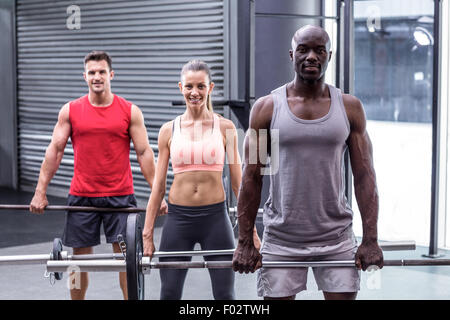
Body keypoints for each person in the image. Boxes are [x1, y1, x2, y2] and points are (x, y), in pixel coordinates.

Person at [232, 25, 384, 300]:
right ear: (292, 55)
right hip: (281, 238)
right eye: (303, 49)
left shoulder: (349, 107)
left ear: (329, 56)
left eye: (319, 50)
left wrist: (370, 239)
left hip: (336, 236)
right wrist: (245, 241)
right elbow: (252, 176)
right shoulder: (267, 108)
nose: (311, 56)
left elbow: (364, 176)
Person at [29, 51, 167, 300]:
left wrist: (159, 195)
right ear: (84, 76)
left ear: (111, 74)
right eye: (92, 72)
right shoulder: (70, 110)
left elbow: (145, 153)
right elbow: (55, 151)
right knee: (76, 263)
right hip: (82, 199)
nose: (97, 77)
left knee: (127, 260)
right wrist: (40, 191)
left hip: (120, 199)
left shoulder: (130, 111)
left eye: (102, 71)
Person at [142, 60, 260, 300]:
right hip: (178, 220)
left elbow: (239, 184)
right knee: (169, 293)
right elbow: (159, 187)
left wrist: (252, 232)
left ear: (210, 87)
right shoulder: (169, 130)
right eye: (188, 86)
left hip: (215, 219)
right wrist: (147, 234)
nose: (194, 92)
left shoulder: (226, 128)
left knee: (225, 294)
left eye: (200, 86)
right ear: (180, 88)